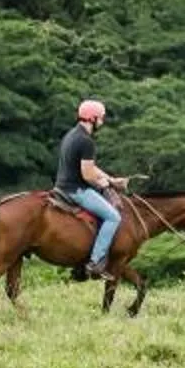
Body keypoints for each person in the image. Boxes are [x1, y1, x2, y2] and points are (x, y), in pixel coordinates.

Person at [57, 99, 123, 277]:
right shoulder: (86, 141)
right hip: (77, 190)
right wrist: (106, 184)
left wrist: (110, 179)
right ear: (92, 118)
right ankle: (95, 262)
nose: (102, 121)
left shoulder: (71, 135)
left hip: (63, 186)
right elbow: (87, 175)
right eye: (101, 118)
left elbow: (91, 167)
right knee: (113, 217)